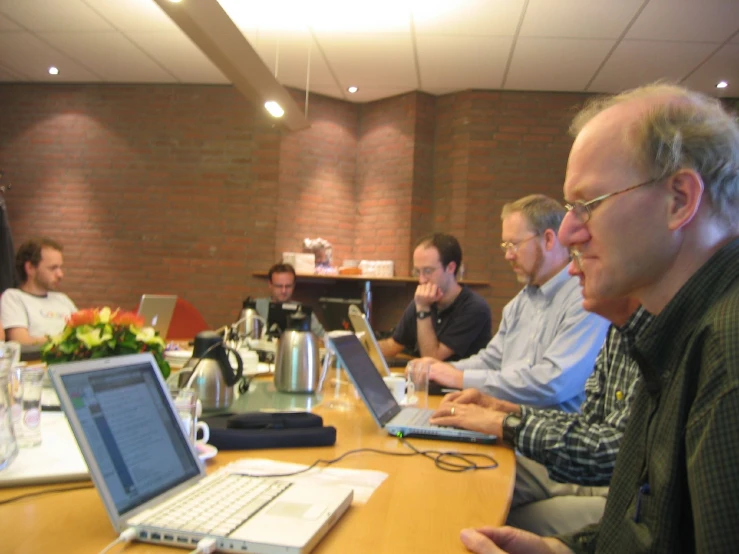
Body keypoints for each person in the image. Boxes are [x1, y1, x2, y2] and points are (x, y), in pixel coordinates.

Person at [460, 84, 739, 554]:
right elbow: (653, 530)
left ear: (679, 199)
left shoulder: (725, 354)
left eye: (587, 204)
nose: (568, 232)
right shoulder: (670, 331)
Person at [431, 298, 652, 536]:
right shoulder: (617, 329)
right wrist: (505, 409)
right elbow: (591, 425)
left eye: (584, 257)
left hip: (620, 490)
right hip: (578, 457)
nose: (573, 268)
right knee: (465, 472)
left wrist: (504, 423)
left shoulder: (592, 311)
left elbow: (616, 455)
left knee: (488, 521)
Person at [427, 196, 609, 412]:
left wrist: (461, 378)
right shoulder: (519, 303)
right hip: (506, 422)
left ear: (549, 240)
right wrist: (439, 369)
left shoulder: (584, 300)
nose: (508, 255)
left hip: (547, 438)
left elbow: (553, 382)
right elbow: (492, 360)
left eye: (514, 245)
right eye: (505, 246)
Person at [379, 233, 492, 362]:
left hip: (459, 380)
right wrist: (358, 346)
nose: (421, 280)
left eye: (428, 271)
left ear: (450, 268)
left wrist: (422, 309)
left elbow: (432, 359)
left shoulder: (474, 308)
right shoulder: (424, 300)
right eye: (417, 272)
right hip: (429, 379)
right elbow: (394, 345)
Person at [0, 237, 77, 345]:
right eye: (53, 268)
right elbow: (21, 341)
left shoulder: (62, 299)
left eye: (60, 267)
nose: (60, 274)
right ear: (30, 268)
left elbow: (82, 331)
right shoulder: (13, 297)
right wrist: (67, 341)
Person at [255, 263, 325, 338]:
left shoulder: (302, 309)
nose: (283, 291)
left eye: (288, 286)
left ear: (294, 286)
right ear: (270, 284)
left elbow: (323, 336)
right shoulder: (256, 306)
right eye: (279, 286)